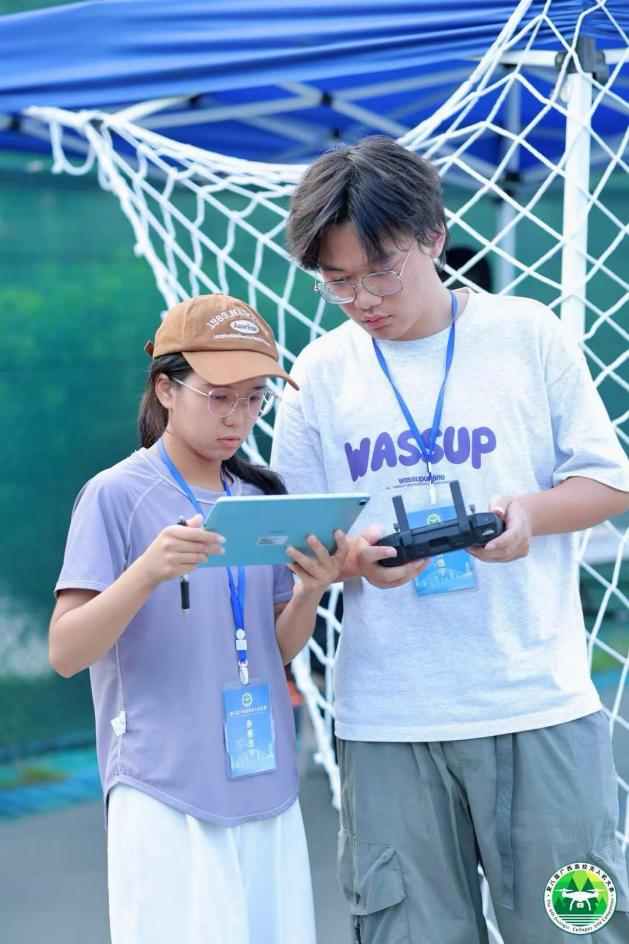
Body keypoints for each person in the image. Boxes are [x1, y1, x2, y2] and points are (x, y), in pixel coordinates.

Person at [270, 135, 629, 943]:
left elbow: (610, 483)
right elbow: (299, 541)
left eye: (379, 271)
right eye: (336, 281)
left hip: (537, 701)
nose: (361, 298)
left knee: (576, 928)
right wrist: (354, 561)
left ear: (433, 237)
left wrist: (528, 515)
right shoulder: (319, 373)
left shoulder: (526, 333)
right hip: (387, 719)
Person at [50, 293, 348, 944]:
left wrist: (308, 593)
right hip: (164, 789)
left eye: (254, 398)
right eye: (219, 397)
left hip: (265, 781)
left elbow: (274, 649)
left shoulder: (261, 496)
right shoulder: (115, 495)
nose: (237, 416)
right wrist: (146, 572)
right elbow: (66, 652)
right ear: (165, 388)